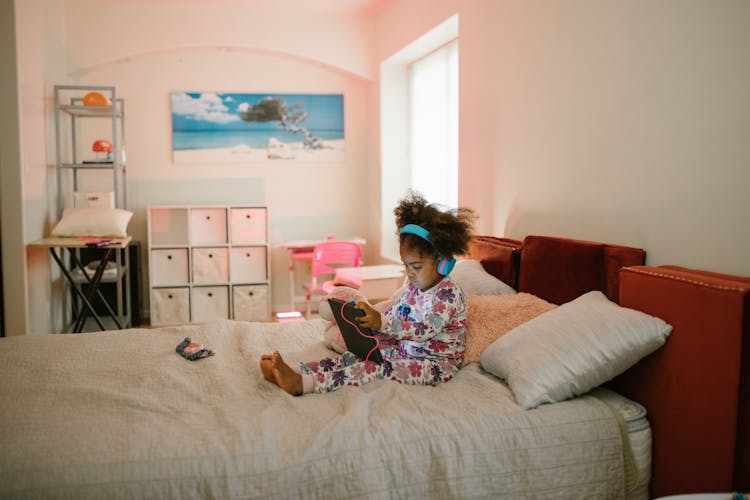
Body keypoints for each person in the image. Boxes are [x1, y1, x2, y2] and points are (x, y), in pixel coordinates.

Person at [260, 191, 477, 395]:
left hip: (435, 367)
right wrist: (369, 324)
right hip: (405, 355)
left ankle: (303, 384)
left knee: (374, 369)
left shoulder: (448, 295)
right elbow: (396, 317)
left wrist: (381, 323)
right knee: (351, 358)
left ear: (442, 263)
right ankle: (297, 371)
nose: (409, 273)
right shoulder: (413, 288)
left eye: (417, 266)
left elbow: (423, 331)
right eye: (406, 265)